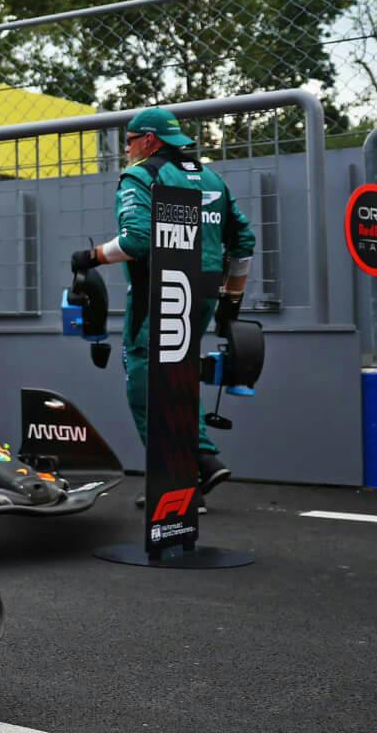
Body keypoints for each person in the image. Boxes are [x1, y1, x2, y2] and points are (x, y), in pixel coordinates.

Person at [70, 107, 255, 498]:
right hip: (203, 295)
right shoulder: (212, 178)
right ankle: (202, 462)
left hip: (160, 293)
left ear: (149, 140)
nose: (127, 150)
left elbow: (135, 241)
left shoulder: (141, 175)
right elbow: (243, 244)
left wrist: (91, 257)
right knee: (179, 373)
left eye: (130, 142)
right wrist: (232, 300)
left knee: (143, 381)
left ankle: (178, 479)